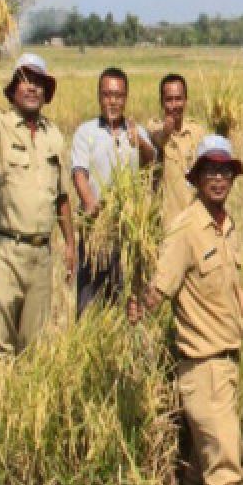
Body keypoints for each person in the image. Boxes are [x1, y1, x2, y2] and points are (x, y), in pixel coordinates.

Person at [128, 135, 243, 485]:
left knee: (198, 463)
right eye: (210, 171)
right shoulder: (185, 230)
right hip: (202, 366)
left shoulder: (227, 226)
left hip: (228, 364)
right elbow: (160, 288)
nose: (218, 178)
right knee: (225, 464)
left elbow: (234, 293)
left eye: (225, 171)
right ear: (197, 177)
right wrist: (139, 303)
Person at [0, 53, 76, 386]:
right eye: (26, 80)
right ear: (13, 89)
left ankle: (22, 428)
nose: (33, 88)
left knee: (34, 352)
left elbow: (62, 197)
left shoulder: (53, 136)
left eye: (39, 82)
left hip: (40, 256)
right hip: (2, 251)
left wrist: (70, 243)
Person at [72, 66, 156, 315]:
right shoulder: (86, 133)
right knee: (90, 300)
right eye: (107, 95)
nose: (112, 101)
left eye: (118, 95)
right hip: (96, 231)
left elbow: (152, 162)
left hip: (128, 232)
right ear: (99, 97)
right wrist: (90, 204)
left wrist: (139, 142)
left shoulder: (136, 131)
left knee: (126, 299)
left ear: (126, 98)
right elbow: (79, 173)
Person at [147, 73, 205, 226]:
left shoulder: (197, 132)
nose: (174, 105)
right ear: (161, 102)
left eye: (178, 99)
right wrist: (167, 130)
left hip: (194, 221)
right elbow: (159, 137)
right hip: (167, 224)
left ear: (186, 101)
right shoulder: (153, 128)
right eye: (169, 100)